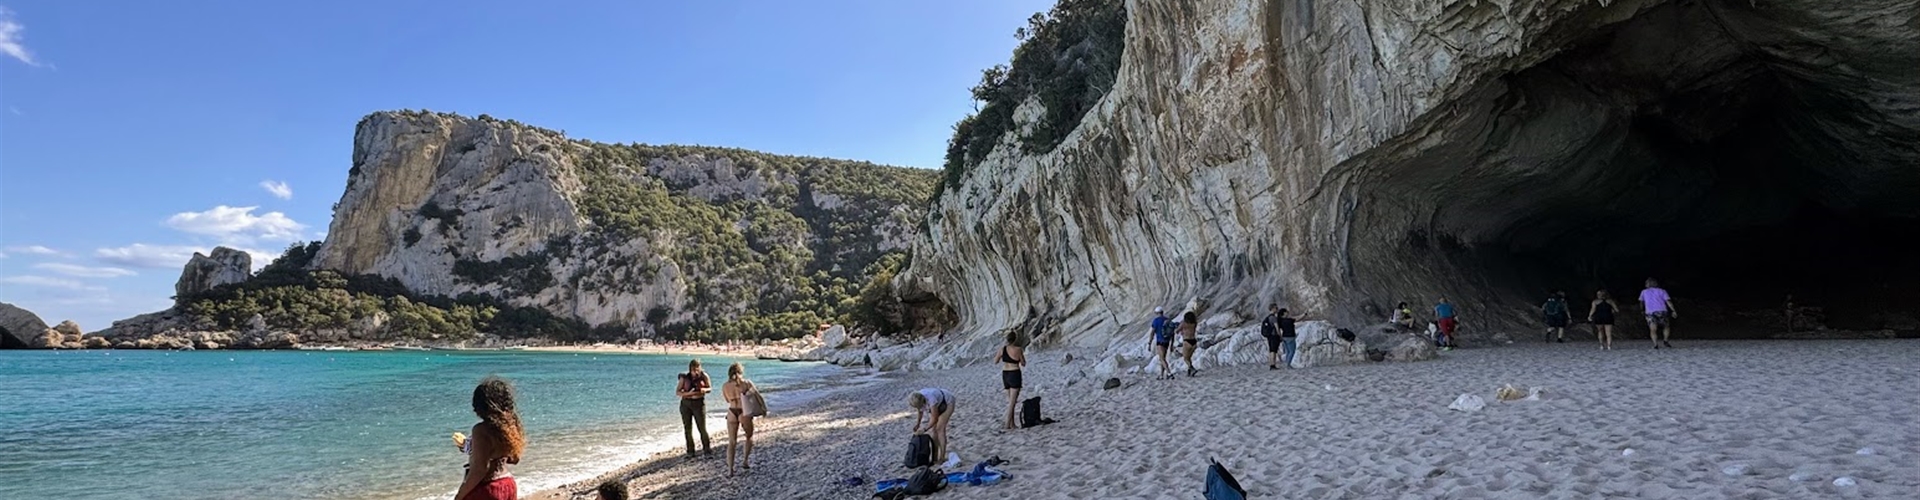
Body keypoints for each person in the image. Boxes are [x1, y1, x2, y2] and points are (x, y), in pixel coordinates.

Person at [455, 376, 524, 500]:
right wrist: (471, 447)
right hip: (507, 485)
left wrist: (459, 495)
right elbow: (514, 459)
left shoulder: (480, 430)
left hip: (487, 488)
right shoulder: (511, 427)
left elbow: (480, 469)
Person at [720, 362, 757, 475]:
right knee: (749, 436)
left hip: (731, 411)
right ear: (741, 372)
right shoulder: (746, 383)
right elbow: (756, 396)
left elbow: (727, 400)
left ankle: (730, 469)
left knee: (732, 442)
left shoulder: (725, 385)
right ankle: (745, 461)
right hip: (743, 411)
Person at [908, 388, 957, 464]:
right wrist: (918, 424)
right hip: (938, 403)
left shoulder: (931, 399)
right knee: (933, 431)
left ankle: (942, 457)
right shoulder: (917, 398)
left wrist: (924, 429)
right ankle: (935, 457)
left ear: (923, 401)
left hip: (947, 402)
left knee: (940, 429)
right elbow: (920, 411)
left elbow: (934, 418)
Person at [677, 359, 713, 458]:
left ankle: (707, 450)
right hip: (686, 404)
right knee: (687, 428)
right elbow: (678, 392)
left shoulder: (704, 376)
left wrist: (704, 389)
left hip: (699, 403)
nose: (695, 372)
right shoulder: (684, 377)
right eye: (693, 369)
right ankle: (690, 451)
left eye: (697, 369)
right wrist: (689, 393)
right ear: (690, 369)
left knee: (702, 427)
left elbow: (710, 388)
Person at [996, 330, 1026, 429]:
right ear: (1015, 339)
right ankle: (1007, 424)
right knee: (1012, 403)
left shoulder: (1002, 349)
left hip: (1005, 374)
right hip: (1014, 373)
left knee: (1010, 401)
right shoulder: (1018, 349)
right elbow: (1023, 363)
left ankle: (1012, 424)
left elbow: (995, 361)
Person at [1640, 278, 1677, 348]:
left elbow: (1641, 302)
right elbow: (1668, 301)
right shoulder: (1662, 291)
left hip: (1650, 312)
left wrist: (1642, 310)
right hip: (1662, 311)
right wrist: (1673, 310)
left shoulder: (1644, 292)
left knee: (1653, 329)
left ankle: (1655, 344)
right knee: (1666, 326)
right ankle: (1665, 340)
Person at [1148, 307, 1173, 380]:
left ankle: (1169, 373)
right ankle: (1161, 375)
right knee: (1163, 358)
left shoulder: (1156, 321)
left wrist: (1149, 343)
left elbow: (1152, 332)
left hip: (1160, 341)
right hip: (1167, 341)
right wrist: (1172, 343)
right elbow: (1172, 332)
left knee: (1161, 359)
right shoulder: (1167, 320)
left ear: (1156, 313)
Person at [1261, 303, 1283, 370]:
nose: (1277, 309)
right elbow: (1277, 327)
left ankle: (1271, 364)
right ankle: (1273, 364)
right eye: (1276, 308)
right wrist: (1280, 335)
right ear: (1273, 308)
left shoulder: (1268, 317)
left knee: (1271, 350)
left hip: (1269, 336)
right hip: (1274, 335)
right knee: (1274, 350)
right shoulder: (1273, 318)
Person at [1178, 311, 1200, 377]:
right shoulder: (1194, 323)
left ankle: (1192, 368)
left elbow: (1177, 330)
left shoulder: (1183, 323)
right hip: (1194, 341)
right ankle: (1189, 371)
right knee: (1189, 358)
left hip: (1187, 341)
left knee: (1185, 358)